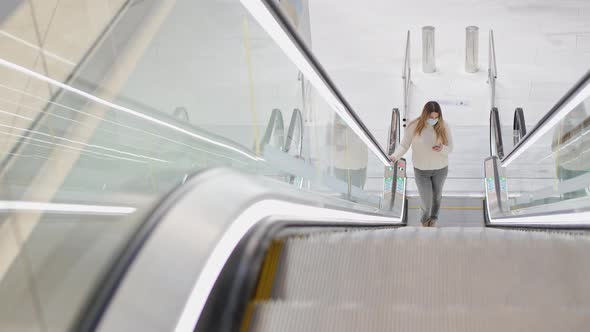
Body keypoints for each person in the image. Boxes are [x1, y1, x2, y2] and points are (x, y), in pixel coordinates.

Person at [389, 101, 453, 227]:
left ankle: (433, 219)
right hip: (421, 170)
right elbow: (404, 145)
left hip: (440, 169)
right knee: (426, 200)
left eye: (436, 117)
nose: (433, 120)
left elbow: (450, 148)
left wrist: (442, 149)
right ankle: (424, 222)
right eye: (431, 117)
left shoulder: (444, 126)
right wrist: (394, 156)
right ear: (425, 114)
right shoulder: (414, 126)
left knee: (437, 197)